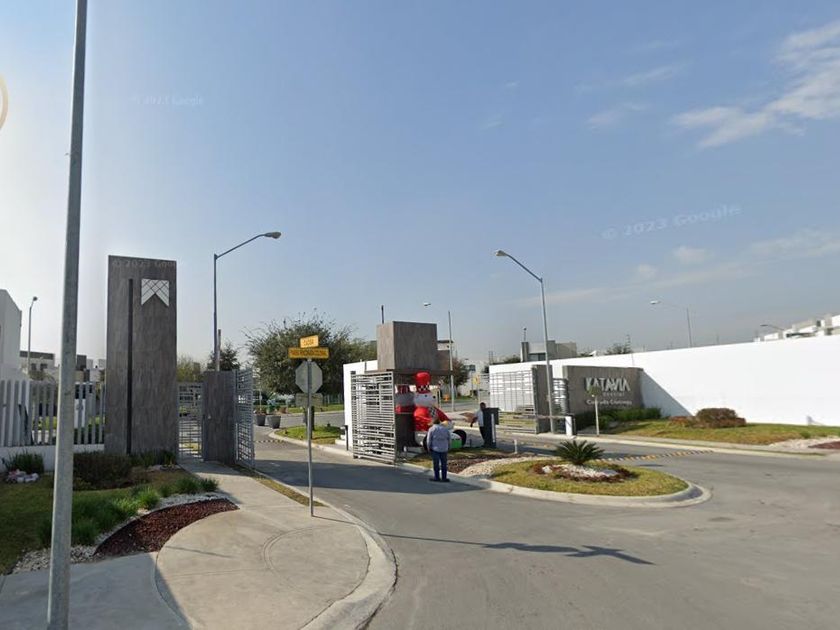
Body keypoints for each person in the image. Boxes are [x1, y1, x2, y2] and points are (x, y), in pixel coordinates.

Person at [426, 417, 451, 482]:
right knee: (444, 464)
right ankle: (444, 478)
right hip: (444, 448)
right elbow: (449, 439)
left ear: (433, 422)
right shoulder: (445, 429)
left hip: (435, 448)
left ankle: (437, 477)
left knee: (436, 464)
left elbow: (429, 440)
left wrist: (428, 447)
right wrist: (449, 446)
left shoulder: (431, 429)